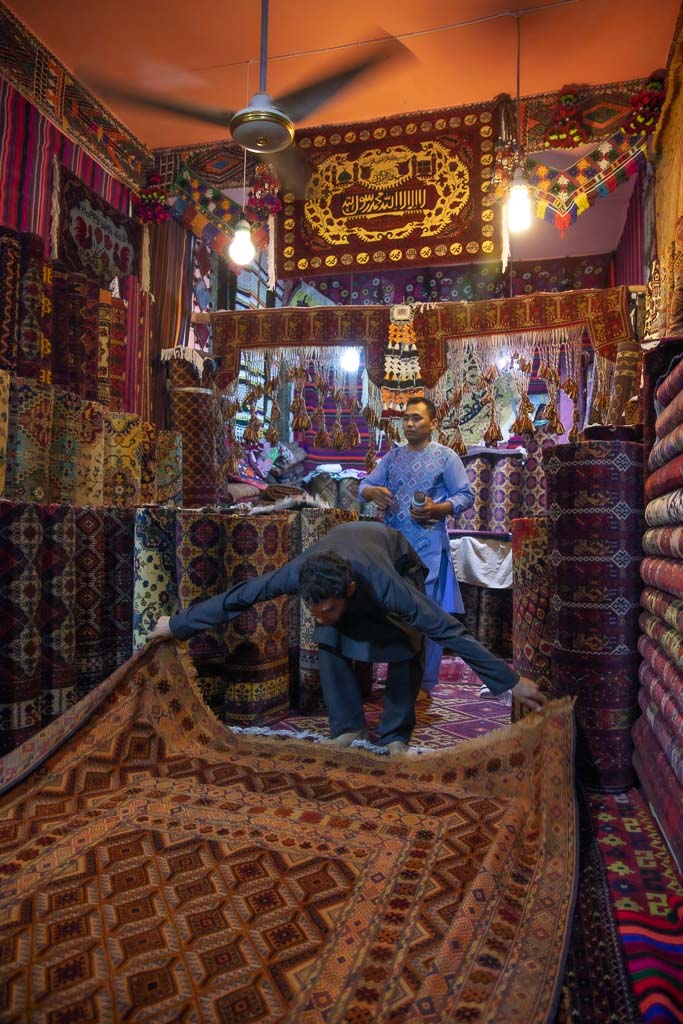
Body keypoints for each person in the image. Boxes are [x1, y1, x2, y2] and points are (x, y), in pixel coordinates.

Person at [150, 521, 546, 755]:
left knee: (407, 640)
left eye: (329, 608)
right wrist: (177, 624)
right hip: (342, 552)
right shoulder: (300, 574)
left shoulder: (392, 590)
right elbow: (242, 596)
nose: (319, 614)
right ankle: (347, 727)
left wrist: (511, 683)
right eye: (313, 608)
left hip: (395, 557)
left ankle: (394, 734)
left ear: (351, 591)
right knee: (329, 637)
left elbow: (447, 629)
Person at [358, 396, 474, 696]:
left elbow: (465, 495)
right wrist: (372, 491)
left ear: (433, 423)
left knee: (428, 616)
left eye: (417, 418)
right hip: (394, 547)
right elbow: (363, 487)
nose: (409, 423)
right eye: (406, 418)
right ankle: (398, 677)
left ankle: (424, 683)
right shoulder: (392, 458)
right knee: (396, 614)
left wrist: (439, 509)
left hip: (430, 549)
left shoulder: (446, 457)